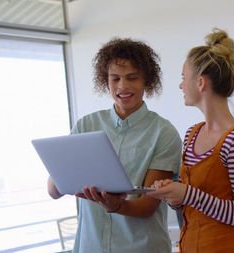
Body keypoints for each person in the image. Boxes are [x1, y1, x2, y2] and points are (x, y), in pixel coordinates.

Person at [47, 38, 182, 253]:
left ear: (146, 80)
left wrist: (116, 205)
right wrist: (60, 178)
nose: (122, 86)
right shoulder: (86, 125)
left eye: (132, 78)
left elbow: (148, 205)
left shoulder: (163, 133)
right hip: (90, 247)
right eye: (115, 78)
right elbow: (53, 190)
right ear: (105, 80)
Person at [146, 28, 234, 253]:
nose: (180, 86)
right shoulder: (192, 134)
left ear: (200, 83)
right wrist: (173, 193)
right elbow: (187, 202)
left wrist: (187, 193)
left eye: (183, 77)